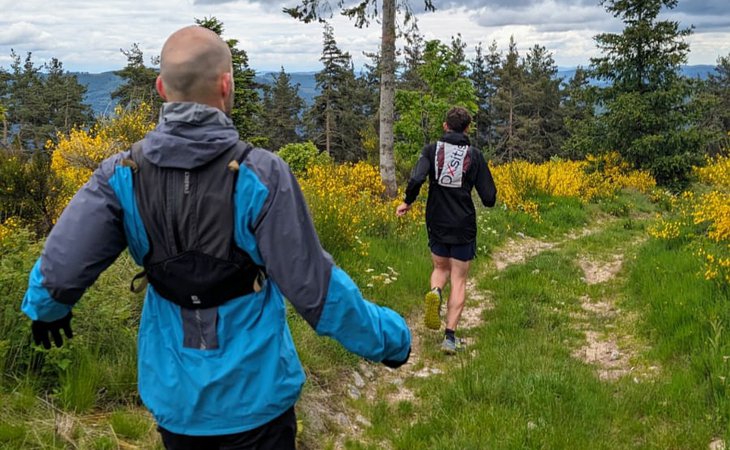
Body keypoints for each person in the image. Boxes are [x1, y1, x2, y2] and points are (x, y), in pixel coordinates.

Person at [22, 26, 411, 450]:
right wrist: (389, 339)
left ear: (160, 89)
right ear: (227, 85)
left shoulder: (122, 173)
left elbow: (60, 267)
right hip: (259, 401)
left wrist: (47, 308)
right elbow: (316, 290)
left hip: (177, 401)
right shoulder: (261, 174)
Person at [396, 106, 496, 354]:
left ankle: (435, 292)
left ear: (445, 126)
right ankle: (450, 338)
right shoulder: (474, 155)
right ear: (467, 128)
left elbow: (417, 178)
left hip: (436, 221)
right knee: (459, 279)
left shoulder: (431, 150)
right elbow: (489, 197)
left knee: (440, 267)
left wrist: (408, 201)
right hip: (463, 224)